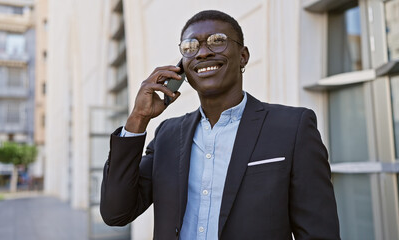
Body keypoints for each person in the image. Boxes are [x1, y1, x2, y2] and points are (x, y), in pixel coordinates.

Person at [100, 10, 340, 240]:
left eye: (217, 41)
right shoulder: (168, 135)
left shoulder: (292, 127)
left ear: (243, 56)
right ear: (182, 67)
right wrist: (138, 119)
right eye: (190, 47)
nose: (202, 52)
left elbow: (318, 232)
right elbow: (116, 213)